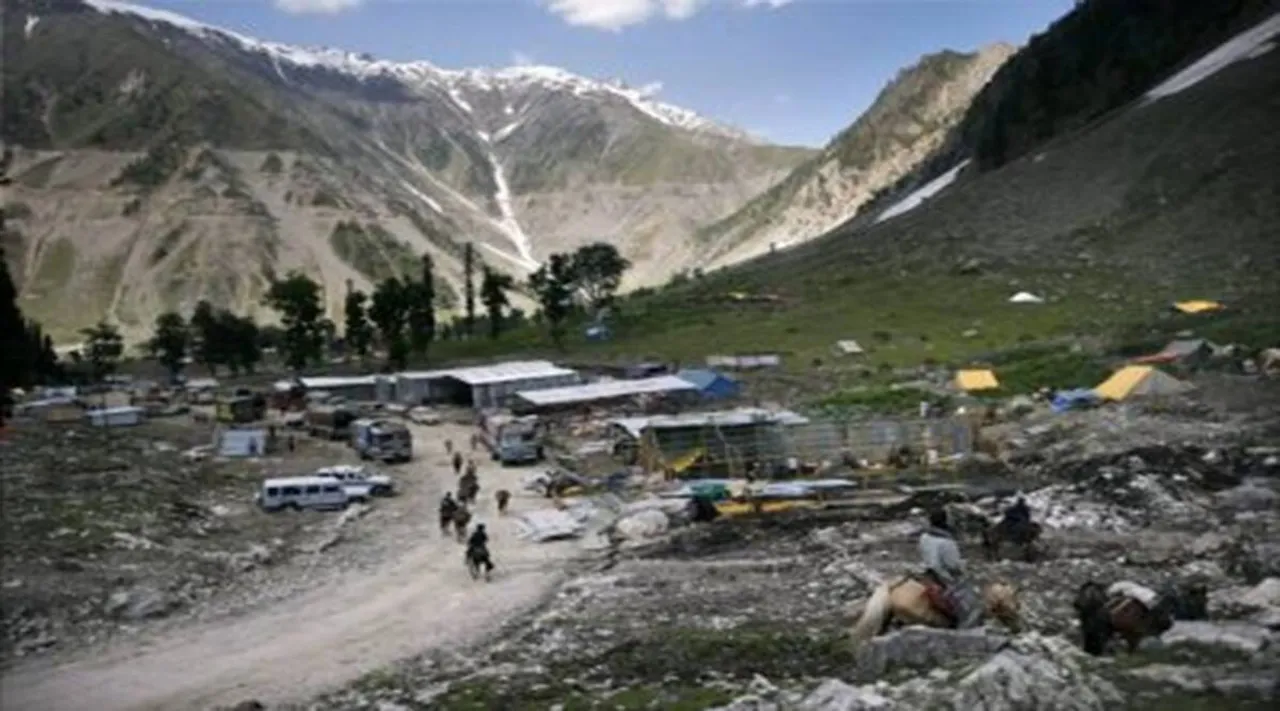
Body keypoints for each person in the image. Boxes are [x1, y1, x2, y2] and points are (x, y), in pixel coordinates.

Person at [919, 508, 977, 628]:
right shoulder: (946, 542)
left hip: (926, 571)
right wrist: (962, 566)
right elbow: (953, 565)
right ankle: (963, 625)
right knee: (968, 598)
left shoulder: (924, 536)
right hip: (941, 575)